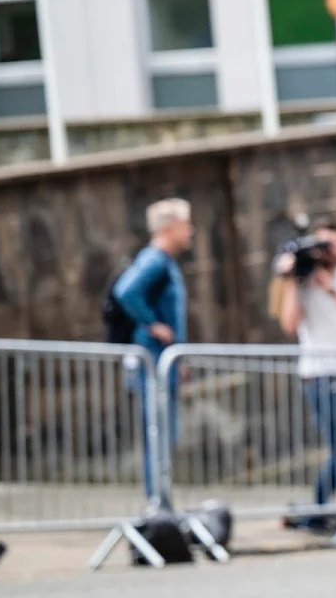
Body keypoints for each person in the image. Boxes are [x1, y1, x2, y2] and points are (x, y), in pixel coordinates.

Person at [276, 219, 336, 518]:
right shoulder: (303, 284)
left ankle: (316, 510)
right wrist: (291, 277)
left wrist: (329, 288)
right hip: (317, 375)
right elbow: (289, 324)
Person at [113, 198, 193, 502]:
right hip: (153, 360)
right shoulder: (155, 260)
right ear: (169, 228)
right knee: (157, 434)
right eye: (186, 224)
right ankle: (158, 503)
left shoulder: (163, 261)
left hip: (165, 361)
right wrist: (152, 324)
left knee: (163, 434)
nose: (191, 231)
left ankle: (162, 500)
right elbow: (126, 291)